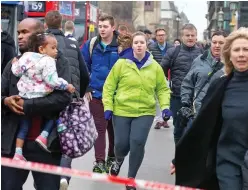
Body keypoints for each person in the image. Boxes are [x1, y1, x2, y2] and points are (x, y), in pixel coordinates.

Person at [174, 28, 248, 190]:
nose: (241, 54)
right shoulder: (220, 85)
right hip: (226, 161)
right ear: (229, 55)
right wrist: (181, 159)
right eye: (236, 50)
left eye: (246, 49)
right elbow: (202, 125)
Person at [1, 18, 71, 190]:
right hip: (13, 144)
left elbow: (64, 98)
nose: (20, 37)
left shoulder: (58, 62)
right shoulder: (15, 63)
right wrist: (5, 101)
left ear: (40, 36)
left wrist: (27, 105)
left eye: (25, 32)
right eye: (18, 32)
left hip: (47, 145)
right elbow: (1, 92)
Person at [102, 31, 171, 190]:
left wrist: (165, 107)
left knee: (137, 143)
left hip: (144, 112)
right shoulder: (121, 64)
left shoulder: (154, 67)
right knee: (121, 145)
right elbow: (109, 86)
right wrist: (108, 107)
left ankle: (131, 178)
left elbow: (162, 89)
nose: (139, 45)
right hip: (122, 111)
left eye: (142, 42)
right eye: (136, 42)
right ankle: (118, 160)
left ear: (147, 45)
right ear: (132, 45)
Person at [11, 32, 75, 161]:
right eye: (53, 48)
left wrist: (14, 63)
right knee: (54, 114)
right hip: (41, 95)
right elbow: (52, 80)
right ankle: (43, 136)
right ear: (41, 49)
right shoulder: (48, 60)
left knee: (24, 126)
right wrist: (66, 85)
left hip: (24, 96)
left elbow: (16, 72)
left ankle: (18, 153)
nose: (56, 51)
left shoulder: (26, 56)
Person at [44, 10, 90, 189]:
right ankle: (64, 175)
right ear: (62, 24)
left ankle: (47, 176)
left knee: (47, 135)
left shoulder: (42, 43)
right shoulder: (72, 43)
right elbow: (85, 73)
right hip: (70, 96)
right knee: (67, 138)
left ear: (46, 24)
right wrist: (80, 93)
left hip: (46, 98)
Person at [81, 14, 118, 174]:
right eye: (100, 26)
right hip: (96, 94)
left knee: (114, 129)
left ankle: (111, 156)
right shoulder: (91, 44)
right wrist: (87, 87)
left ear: (113, 28)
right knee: (99, 128)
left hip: (117, 96)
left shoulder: (122, 46)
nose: (102, 29)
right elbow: (82, 66)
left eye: (105, 26)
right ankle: (100, 161)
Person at [161, 23, 202, 144]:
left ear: (196, 37)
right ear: (182, 37)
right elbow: (162, 70)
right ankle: (178, 159)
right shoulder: (172, 52)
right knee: (178, 129)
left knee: (195, 129)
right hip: (177, 97)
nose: (190, 38)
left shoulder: (202, 53)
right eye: (187, 35)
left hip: (196, 98)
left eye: (192, 35)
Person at [179, 30, 227, 132]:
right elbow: (188, 83)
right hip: (198, 113)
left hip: (221, 115)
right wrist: (186, 103)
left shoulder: (232, 63)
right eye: (214, 42)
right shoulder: (199, 60)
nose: (217, 45)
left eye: (221, 43)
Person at [148, 28, 173, 129]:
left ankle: (165, 119)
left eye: (163, 35)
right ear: (156, 36)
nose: (161, 37)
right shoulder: (152, 47)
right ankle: (159, 120)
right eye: (159, 35)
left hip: (168, 76)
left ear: (165, 36)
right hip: (155, 77)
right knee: (157, 100)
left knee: (166, 98)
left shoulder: (171, 47)